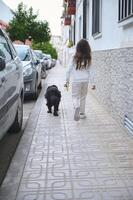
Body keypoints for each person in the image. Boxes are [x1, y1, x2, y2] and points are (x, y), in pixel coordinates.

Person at [65, 39, 95, 121]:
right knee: (83, 97)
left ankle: (76, 106)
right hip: (85, 80)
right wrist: (93, 83)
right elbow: (91, 71)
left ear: (78, 47)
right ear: (87, 48)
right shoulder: (88, 58)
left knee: (75, 96)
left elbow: (68, 69)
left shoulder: (74, 57)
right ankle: (82, 113)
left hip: (76, 81)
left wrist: (67, 80)